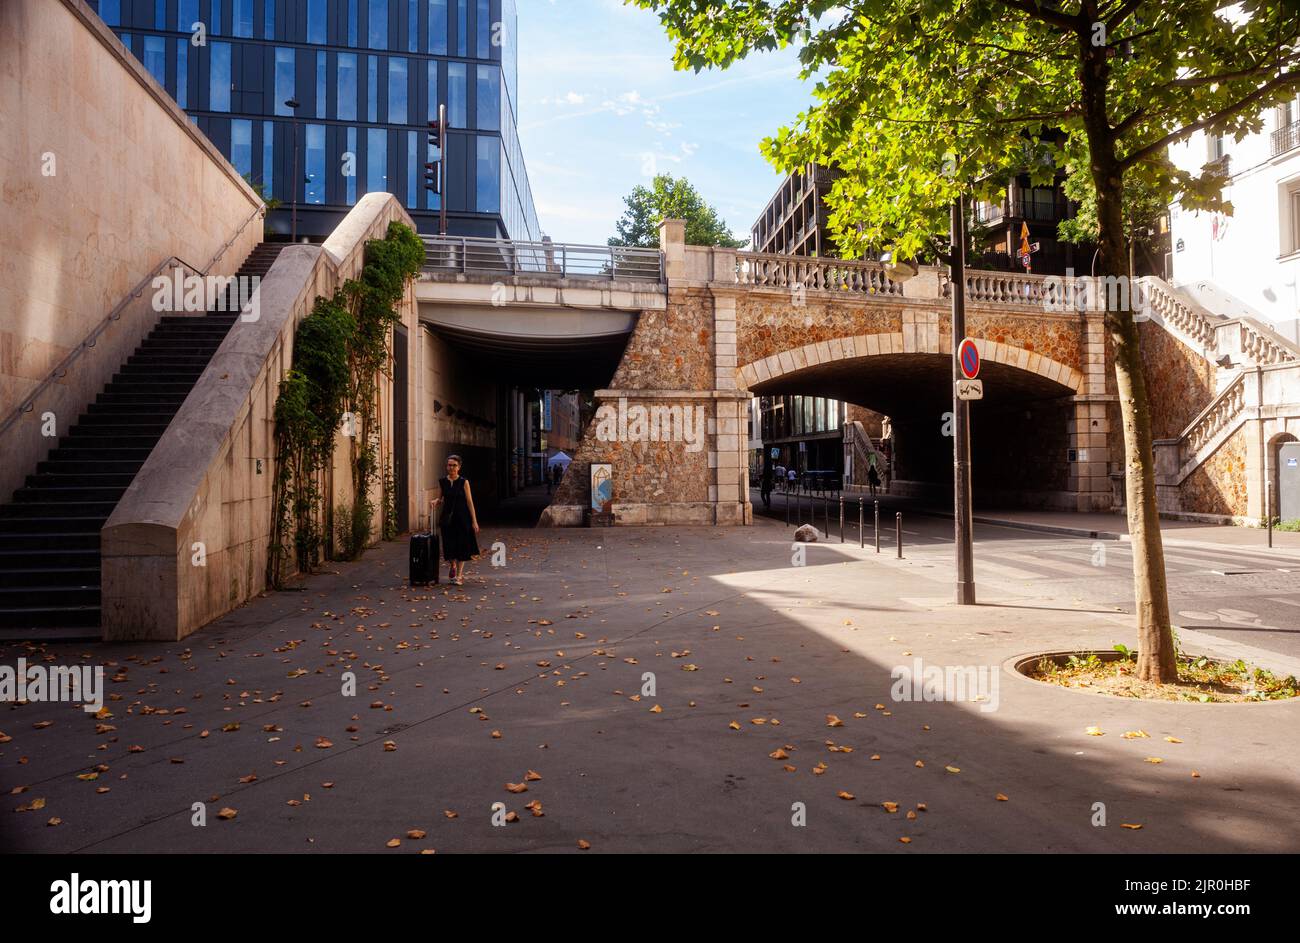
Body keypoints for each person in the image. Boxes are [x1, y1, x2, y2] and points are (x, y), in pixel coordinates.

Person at [431, 454, 480, 586]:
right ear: (446, 466)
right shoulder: (442, 481)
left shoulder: (464, 482)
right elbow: (440, 499)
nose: (451, 468)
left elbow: (470, 502)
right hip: (448, 519)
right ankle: (452, 565)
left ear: (459, 467)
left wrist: (474, 521)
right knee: (449, 545)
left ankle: (459, 576)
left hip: (463, 518)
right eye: (449, 465)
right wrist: (436, 501)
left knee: (462, 546)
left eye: (454, 465)